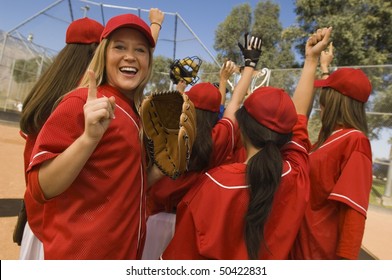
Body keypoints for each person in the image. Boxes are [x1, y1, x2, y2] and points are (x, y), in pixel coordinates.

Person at [161, 27, 332, 260]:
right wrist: (311, 62)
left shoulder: (215, 183)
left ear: (243, 127)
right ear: (287, 136)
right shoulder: (297, 173)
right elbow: (300, 118)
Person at [25, 13, 157, 260]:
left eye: (140, 50)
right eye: (119, 47)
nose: (130, 56)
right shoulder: (81, 101)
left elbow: (121, 185)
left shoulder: (132, 110)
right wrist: (88, 139)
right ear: (103, 54)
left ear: (149, 61)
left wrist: (157, 171)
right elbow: (39, 187)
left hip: (121, 252)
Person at [142, 34, 262, 259]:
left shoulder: (167, 135)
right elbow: (235, 102)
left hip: (155, 220)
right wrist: (249, 65)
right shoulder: (218, 139)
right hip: (190, 224)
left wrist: (181, 85)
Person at [18, 17, 104, 260]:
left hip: (35, 219)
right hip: (64, 229)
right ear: (99, 51)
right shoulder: (83, 98)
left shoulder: (46, 87)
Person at [291, 51, 373, 259]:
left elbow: (353, 210)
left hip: (319, 253)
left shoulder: (356, 141)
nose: (320, 104)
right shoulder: (328, 139)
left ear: (333, 101)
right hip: (302, 245)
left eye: (324, 96)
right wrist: (324, 66)